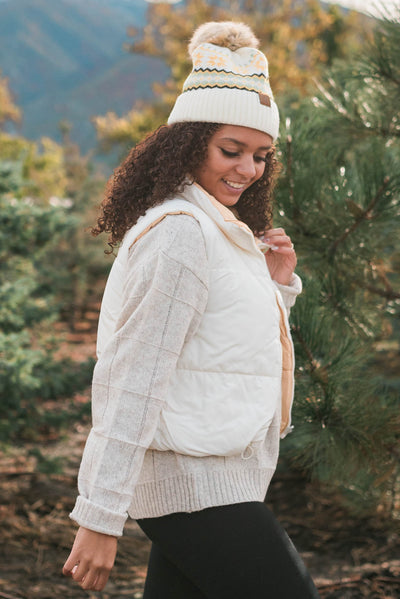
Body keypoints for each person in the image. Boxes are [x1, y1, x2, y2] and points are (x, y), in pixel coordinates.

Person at [63, 21, 320, 598]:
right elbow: (134, 377)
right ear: (187, 141)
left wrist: (278, 287)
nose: (247, 170)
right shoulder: (181, 233)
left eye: (260, 155)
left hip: (218, 472)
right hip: (190, 479)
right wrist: (100, 515)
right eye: (230, 150)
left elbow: (220, 349)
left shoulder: (219, 231)